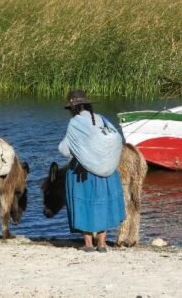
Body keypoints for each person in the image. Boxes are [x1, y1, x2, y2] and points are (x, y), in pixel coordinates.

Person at [58, 90, 125, 253]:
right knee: (103, 203)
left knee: (84, 204)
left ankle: (88, 244)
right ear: (87, 105)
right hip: (106, 171)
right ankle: (102, 244)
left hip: (84, 172)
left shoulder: (75, 123)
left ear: (73, 108)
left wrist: (79, 149)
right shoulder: (102, 119)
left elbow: (64, 150)